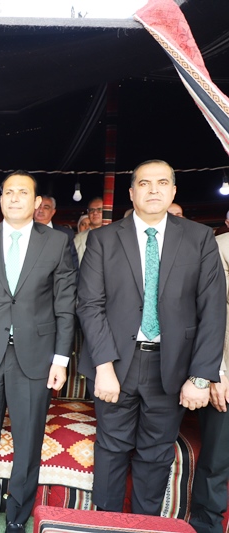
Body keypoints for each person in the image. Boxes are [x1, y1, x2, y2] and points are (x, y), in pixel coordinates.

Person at [77, 160, 225, 514]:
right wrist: (104, 367)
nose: (154, 189)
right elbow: (90, 305)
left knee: (156, 453)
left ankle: (146, 526)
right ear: (132, 193)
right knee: (111, 448)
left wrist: (200, 377)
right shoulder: (103, 239)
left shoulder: (199, 238)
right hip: (116, 363)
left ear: (173, 191)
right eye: (145, 183)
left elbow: (212, 311)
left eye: (162, 183)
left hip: (172, 366)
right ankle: (106, 524)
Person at [0, 172, 76, 533]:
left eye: (23, 192)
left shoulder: (56, 242)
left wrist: (61, 359)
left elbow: (65, 306)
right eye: (9, 192)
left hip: (35, 356)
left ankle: (18, 516)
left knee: (28, 439)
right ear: (1, 199)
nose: (15, 198)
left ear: (37, 202)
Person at [189, 232, 229, 533]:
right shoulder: (221, 246)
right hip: (225, 372)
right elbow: (210, 314)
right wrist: (217, 372)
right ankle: (207, 526)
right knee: (217, 459)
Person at [33, 195, 78, 271]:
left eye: (46, 207)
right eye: (38, 207)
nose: (41, 210)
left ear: (53, 212)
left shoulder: (65, 234)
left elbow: (72, 264)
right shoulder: (24, 230)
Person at [74, 197, 103, 263]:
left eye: (99, 209)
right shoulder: (78, 238)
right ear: (88, 213)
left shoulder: (115, 235)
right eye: (92, 210)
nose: (95, 213)